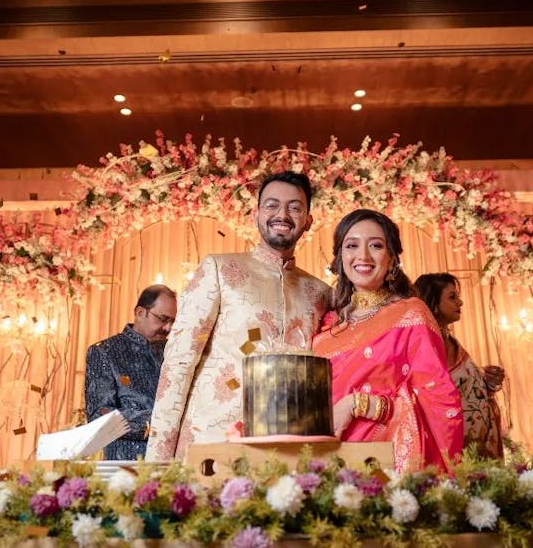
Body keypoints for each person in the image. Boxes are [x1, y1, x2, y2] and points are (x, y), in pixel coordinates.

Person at [146, 171, 331, 460]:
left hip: (289, 452)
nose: (282, 214)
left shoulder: (319, 293)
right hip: (212, 443)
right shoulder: (219, 270)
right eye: (271, 205)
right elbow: (178, 363)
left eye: (294, 207)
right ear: (255, 214)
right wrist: (157, 461)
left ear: (308, 220)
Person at [313, 209, 463, 473]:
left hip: (384, 466)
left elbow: (437, 401)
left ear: (392, 258)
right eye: (351, 245)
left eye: (376, 246)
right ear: (340, 258)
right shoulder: (327, 325)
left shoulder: (411, 314)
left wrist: (359, 404)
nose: (363, 256)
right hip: (324, 462)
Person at [415, 273, 505, 459]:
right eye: (452, 297)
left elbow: (465, 392)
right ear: (433, 304)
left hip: (477, 454)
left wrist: (488, 383)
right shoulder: (424, 346)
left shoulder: (451, 342)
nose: (460, 303)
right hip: (453, 454)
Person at [85, 284, 177, 460]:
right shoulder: (105, 351)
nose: (168, 328)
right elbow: (100, 416)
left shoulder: (174, 352)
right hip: (126, 466)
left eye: (172, 321)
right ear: (140, 312)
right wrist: (161, 423)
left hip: (173, 461)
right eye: (162, 319)